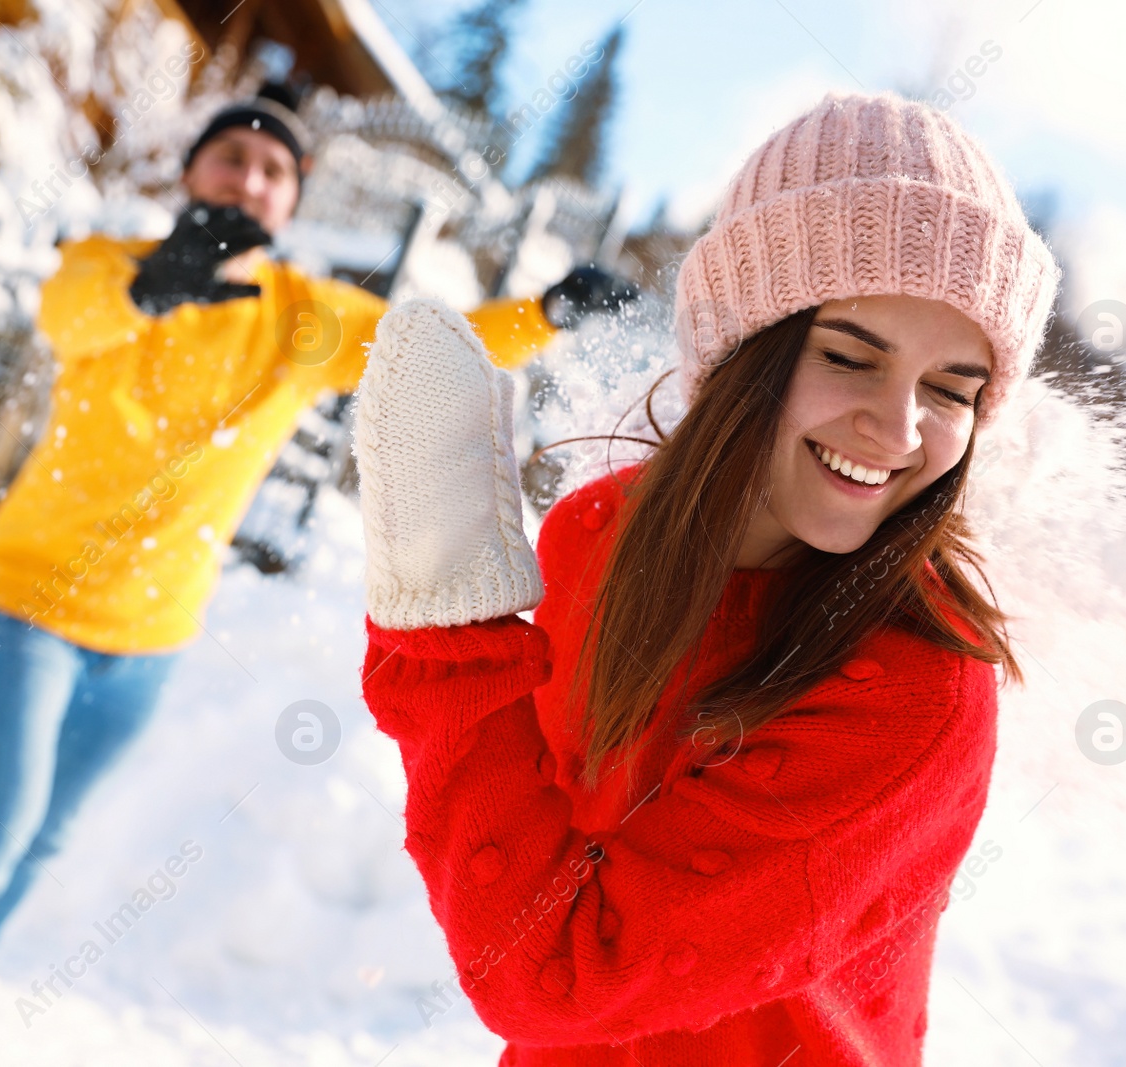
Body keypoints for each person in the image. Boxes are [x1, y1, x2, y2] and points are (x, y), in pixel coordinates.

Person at [0, 81, 637, 1067]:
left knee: (37, 846)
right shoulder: (109, 269)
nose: (249, 179)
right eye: (231, 158)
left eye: (273, 169)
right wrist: (154, 285)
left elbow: (435, 342)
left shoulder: (300, 318)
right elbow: (67, 316)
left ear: (291, 201)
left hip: (151, 636)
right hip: (31, 599)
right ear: (190, 171)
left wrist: (546, 312)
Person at [352, 90, 1059, 1065]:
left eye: (952, 390)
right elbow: (544, 856)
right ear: (739, 352)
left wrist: (446, 636)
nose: (898, 431)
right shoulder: (599, 533)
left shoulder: (916, 693)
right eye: (850, 357)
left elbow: (558, 962)